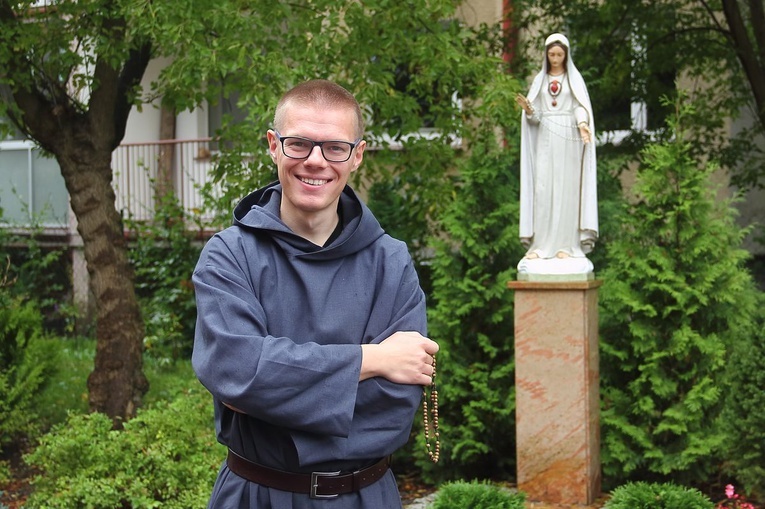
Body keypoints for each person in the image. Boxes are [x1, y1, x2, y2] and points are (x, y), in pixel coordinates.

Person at [191, 79, 439, 509]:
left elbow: (395, 407)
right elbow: (238, 374)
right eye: (299, 144)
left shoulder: (390, 263)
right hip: (256, 496)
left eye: (335, 148)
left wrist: (274, 396)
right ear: (273, 145)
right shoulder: (229, 256)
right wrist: (372, 360)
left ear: (357, 155)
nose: (316, 161)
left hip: (366, 498)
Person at [515, 33, 598, 276]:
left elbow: (579, 107)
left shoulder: (574, 80)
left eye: (559, 55)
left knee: (566, 192)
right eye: (551, 54)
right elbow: (536, 115)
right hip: (545, 142)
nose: (555, 59)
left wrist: (583, 125)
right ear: (546, 55)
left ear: (566, 55)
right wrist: (529, 111)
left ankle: (566, 245)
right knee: (544, 191)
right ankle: (541, 246)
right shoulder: (540, 82)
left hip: (568, 143)